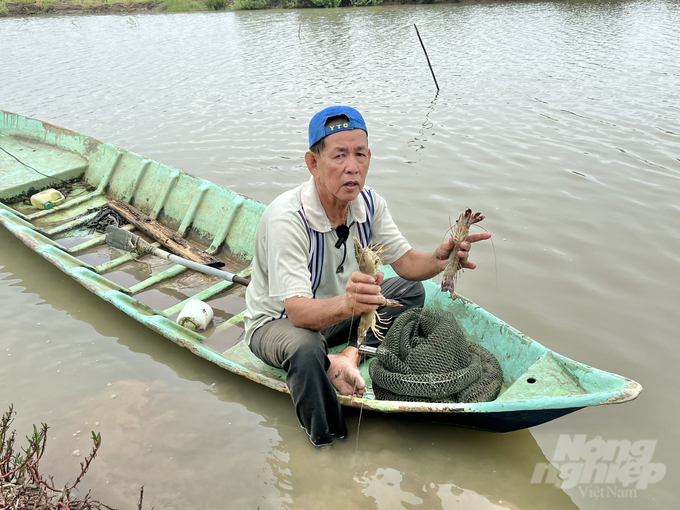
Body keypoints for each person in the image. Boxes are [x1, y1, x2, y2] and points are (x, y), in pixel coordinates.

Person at [244, 106, 490, 446]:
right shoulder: (287, 220)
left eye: (359, 154)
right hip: (280, 323)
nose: (352, 167)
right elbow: (299, 312)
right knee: (306, 349)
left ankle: (351, 354)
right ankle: (328, 442)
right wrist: (349, 304)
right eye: (339, 155)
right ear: (313, 163)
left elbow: (406, 265)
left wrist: (439, 258)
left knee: (410, 289)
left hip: (337, 314)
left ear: (369, 158)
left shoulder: (369, 203)